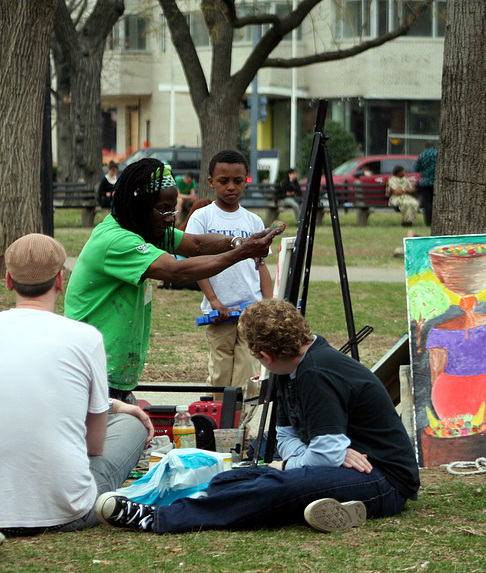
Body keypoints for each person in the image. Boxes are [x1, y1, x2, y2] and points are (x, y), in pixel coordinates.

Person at [94, 298, 420, 534]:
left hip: (384, 479)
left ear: (265, 355)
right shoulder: (289, 365)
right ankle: (341, 509)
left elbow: (325, 452)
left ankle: (161, 518)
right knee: (230, 478)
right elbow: (289, 436)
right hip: (342, 467)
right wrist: (312, 457)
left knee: (284, 482)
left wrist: (300, 461)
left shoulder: (316, 373)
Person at [64, 158, 278, 404]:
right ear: (139, 205)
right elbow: (176, 271)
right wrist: (242, 253)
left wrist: (239, 242)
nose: (170, 218)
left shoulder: (144, 230)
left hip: (110, 373)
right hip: (91, 373)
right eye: (163, 209)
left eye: (172, 209)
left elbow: (196, 244)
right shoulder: (117, 240)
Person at [0, 234, 153, 536]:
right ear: (60, 280)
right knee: (131, 423)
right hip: (67, 511)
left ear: (8, 280)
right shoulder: (84, 337)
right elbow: (94, 446)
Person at [186, 150, 274, 393]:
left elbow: (261, 266)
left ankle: (238, 428)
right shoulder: (202, 218)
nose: (231, 187)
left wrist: (267, 304)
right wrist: (214, 301)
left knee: (249, 376)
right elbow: (197, 264)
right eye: (224, 181)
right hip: (219, 314)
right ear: (211, 182)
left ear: (247, 180)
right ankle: (215, 425)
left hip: (251, 312)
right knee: (220, 375)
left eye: (238, 181)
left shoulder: (254, 221)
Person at [414, 145, 437, 226]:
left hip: (425, 182)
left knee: (427, 203)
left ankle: (428, 222)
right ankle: (436, 221)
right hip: (436, 182)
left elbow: (416, 168)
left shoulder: (422, 155)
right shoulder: (437, 154)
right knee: (436, 203)